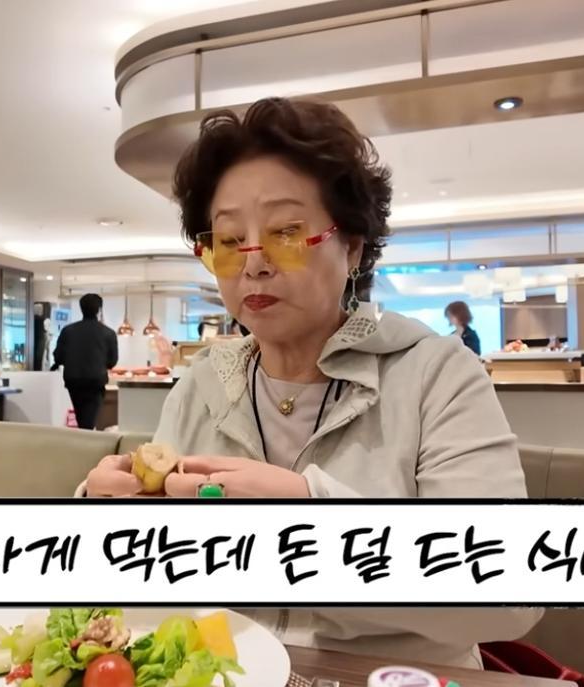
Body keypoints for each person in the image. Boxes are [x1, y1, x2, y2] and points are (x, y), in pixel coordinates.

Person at [82, 97, 540, 668]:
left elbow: (507, 597)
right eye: (230, 241)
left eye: (286, 232)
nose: (254, 263)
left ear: (352, 246)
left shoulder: (436, 374)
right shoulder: (201, 386)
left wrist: (312, 516)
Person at [53, 293, 118, 430]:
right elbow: (112, 361)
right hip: (96, 381)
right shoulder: (108, 333)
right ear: (99, 310)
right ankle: (86, 438)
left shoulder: (67, 331)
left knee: (82, 417)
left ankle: (84, 436)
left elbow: (58, 357)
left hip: (73, 381)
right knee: (89, 419)